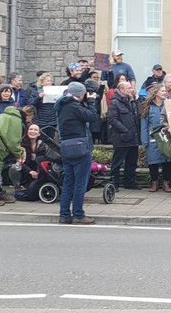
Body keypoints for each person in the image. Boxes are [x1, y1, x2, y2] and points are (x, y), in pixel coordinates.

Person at [54, 82, 98, 224]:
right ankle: (78, 215)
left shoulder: (61, 105)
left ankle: (64, 215)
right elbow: (91, 116)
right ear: (80, 94)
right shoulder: (73, 106)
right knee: (80, 184)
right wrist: (91, 102)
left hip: (66, 147)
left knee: (68, 183)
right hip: (79, 148)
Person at [106, 80, 140, 190]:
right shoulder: (115, 102)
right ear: (122, 90)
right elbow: (112, 119)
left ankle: (129, 182)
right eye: (129, 88)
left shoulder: (131, 101)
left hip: (133, 137)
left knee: (132, 162)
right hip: (121, 137)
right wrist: (125, 130)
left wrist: (135, 99)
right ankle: (114, 183)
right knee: (118, 162)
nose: (132, 89)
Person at [140, 84, 171, 193]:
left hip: (166, 137)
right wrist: (144, 140)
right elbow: (144, 125)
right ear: (156, 92)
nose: (165, 92)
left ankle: (166, 183)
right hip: (153, 138)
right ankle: (154, 183)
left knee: (167, 160)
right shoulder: (148, 106)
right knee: (153, 161)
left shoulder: (169, 105)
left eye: (165, 91)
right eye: (162, 91)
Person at [30, 72, 58, 141]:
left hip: (53, 120)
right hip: (40, 121)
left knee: (50, 141)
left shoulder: (55, 91)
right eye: (48, 81)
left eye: (51, 81)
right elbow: (31, 104)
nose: (50, 82)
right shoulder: (36, 91)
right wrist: (39, 97)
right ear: (42, 83)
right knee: (41, 141)